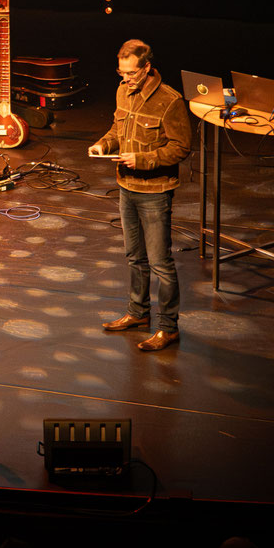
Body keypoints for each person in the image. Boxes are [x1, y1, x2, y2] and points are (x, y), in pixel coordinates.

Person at [88, 39, 193, 351]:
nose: (126, 79)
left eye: (132, 73)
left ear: (147, 67)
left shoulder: (169, 101)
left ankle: (169, 328)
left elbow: (181, 147)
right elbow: (116, 130)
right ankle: (137, 313)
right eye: (122, 73)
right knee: (135, 257)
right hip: (126, 188)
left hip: (155, 192)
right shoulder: (123, 91)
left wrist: (144, 159)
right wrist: (103, 146)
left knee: (160, 262)